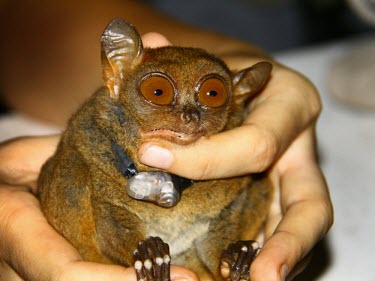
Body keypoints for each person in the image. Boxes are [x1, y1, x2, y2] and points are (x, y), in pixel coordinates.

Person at [0, 1, 333, 280]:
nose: (188, 115)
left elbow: (230, 214)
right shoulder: (98, 128)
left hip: (204, 239)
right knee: (69, 170)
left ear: (237, 95)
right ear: (116, 78)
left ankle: (224, 263)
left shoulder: (240, 137)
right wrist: (135, 250)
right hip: (97, 238)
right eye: (158, 92)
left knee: (259, 180)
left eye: (211, 94)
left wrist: (241, 56)